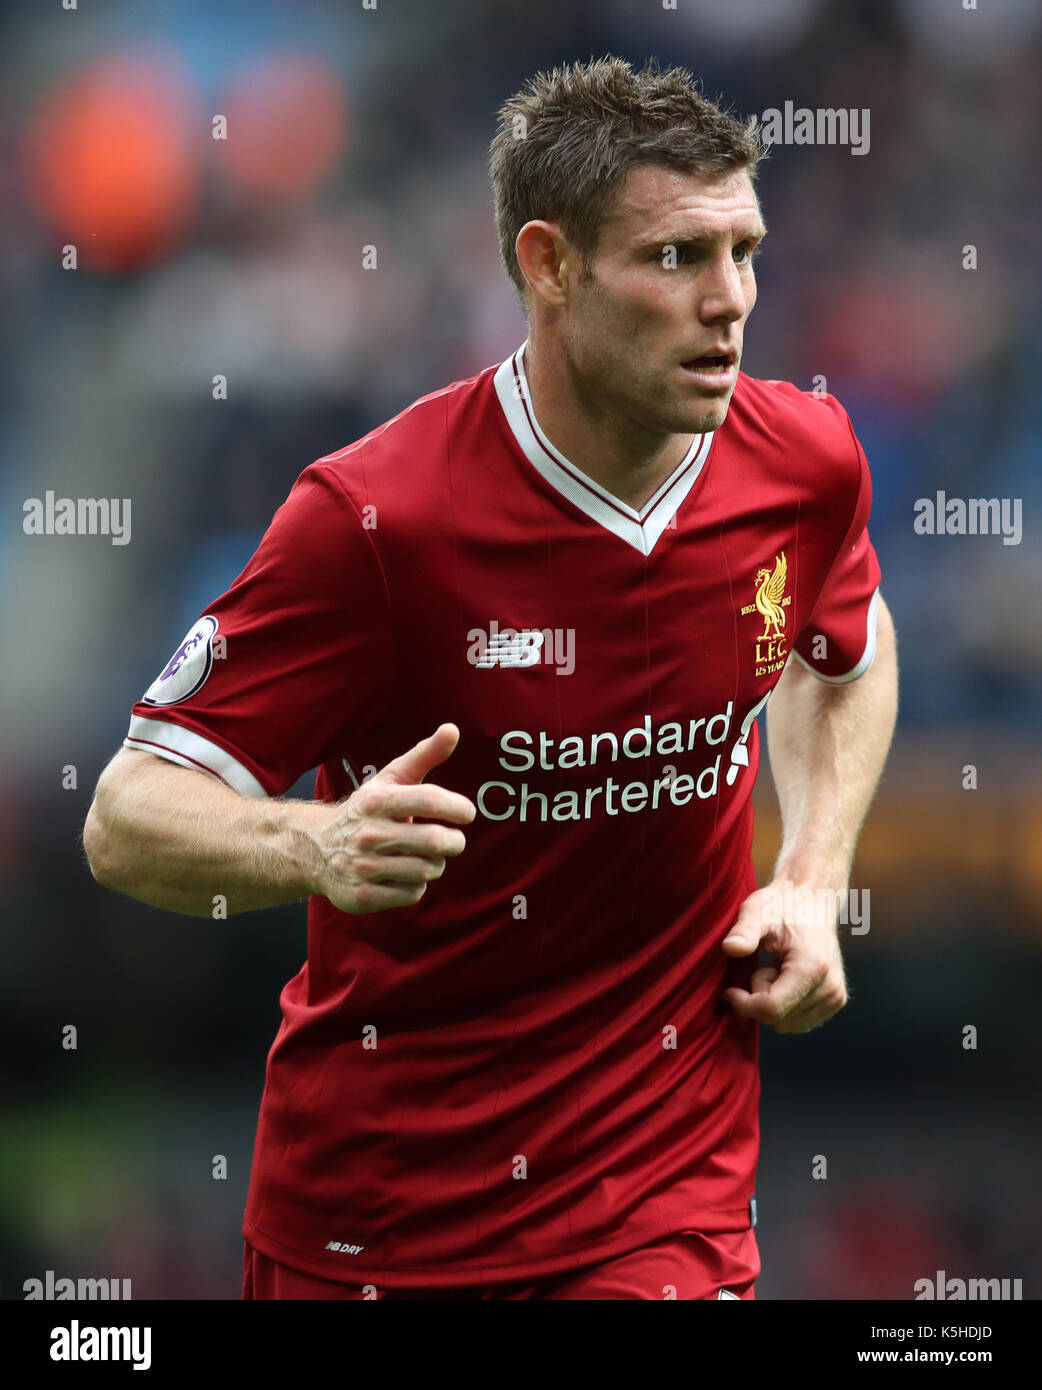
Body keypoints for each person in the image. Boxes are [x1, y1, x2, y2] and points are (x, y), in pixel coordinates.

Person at [83, 55, 898, 1300]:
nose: (729, 300)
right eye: (676, 258)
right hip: (374, 1220)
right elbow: (126, 816)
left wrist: (810, 873)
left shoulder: (803, 462)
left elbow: (846, 651)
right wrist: (311, 845)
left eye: (746, 251)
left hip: (658, 1200)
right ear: (548, 265)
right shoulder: (374, 521)